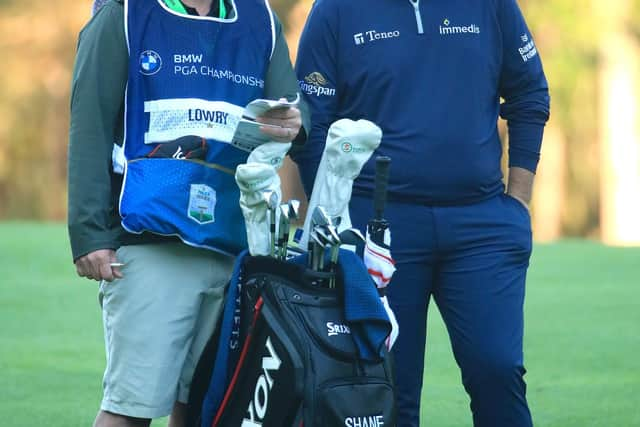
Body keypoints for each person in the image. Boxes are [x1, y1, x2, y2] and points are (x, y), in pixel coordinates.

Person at [293, 0, 549, 426]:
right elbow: (313, 125)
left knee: (497, 370)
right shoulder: (336, 9)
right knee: (389, 389)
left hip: (481, 225)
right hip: (376, 227)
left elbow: (529, 93)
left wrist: (518, 201)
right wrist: (334, 219)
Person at [68, 0, 308, 426]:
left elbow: (292, 107)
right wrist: (89, 233)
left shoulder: (260, 18)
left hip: (234, 247)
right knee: (132, 408)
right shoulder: (124, 13)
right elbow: (90, 124)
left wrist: (292, 122)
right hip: (150, 241)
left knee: (205, 411)